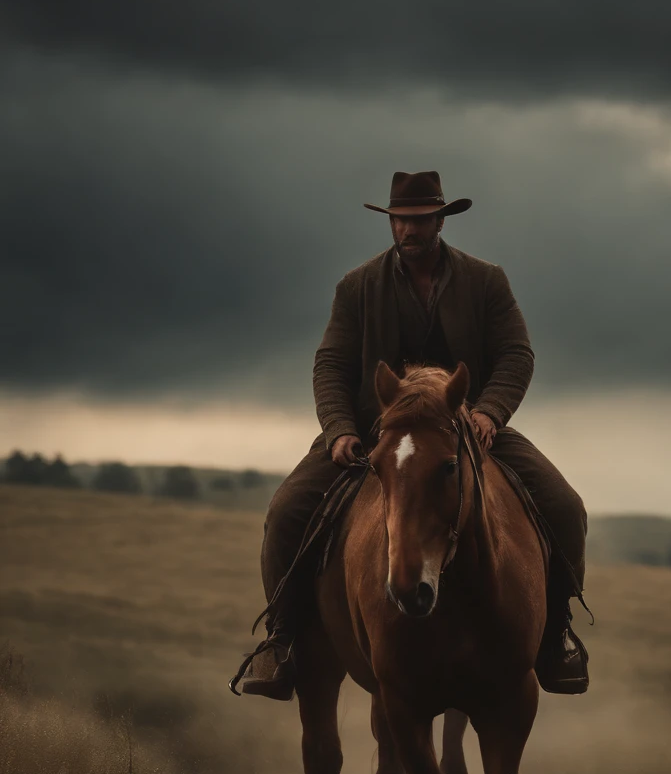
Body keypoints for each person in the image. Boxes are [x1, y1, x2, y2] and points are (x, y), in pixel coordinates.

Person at [241, 170, 588, 700]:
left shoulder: (486, 280)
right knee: (286, 511)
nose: (409, 229)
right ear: (391, 221)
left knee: (565, 507)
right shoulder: (356, 287)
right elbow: (330, 365)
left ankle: (553, 636)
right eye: (401, 219)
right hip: (377, 431)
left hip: (467, 429)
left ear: (441, 220)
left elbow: (517, 354)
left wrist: (491, 413)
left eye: (421, 219)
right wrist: (337, 431)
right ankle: (281, 642)